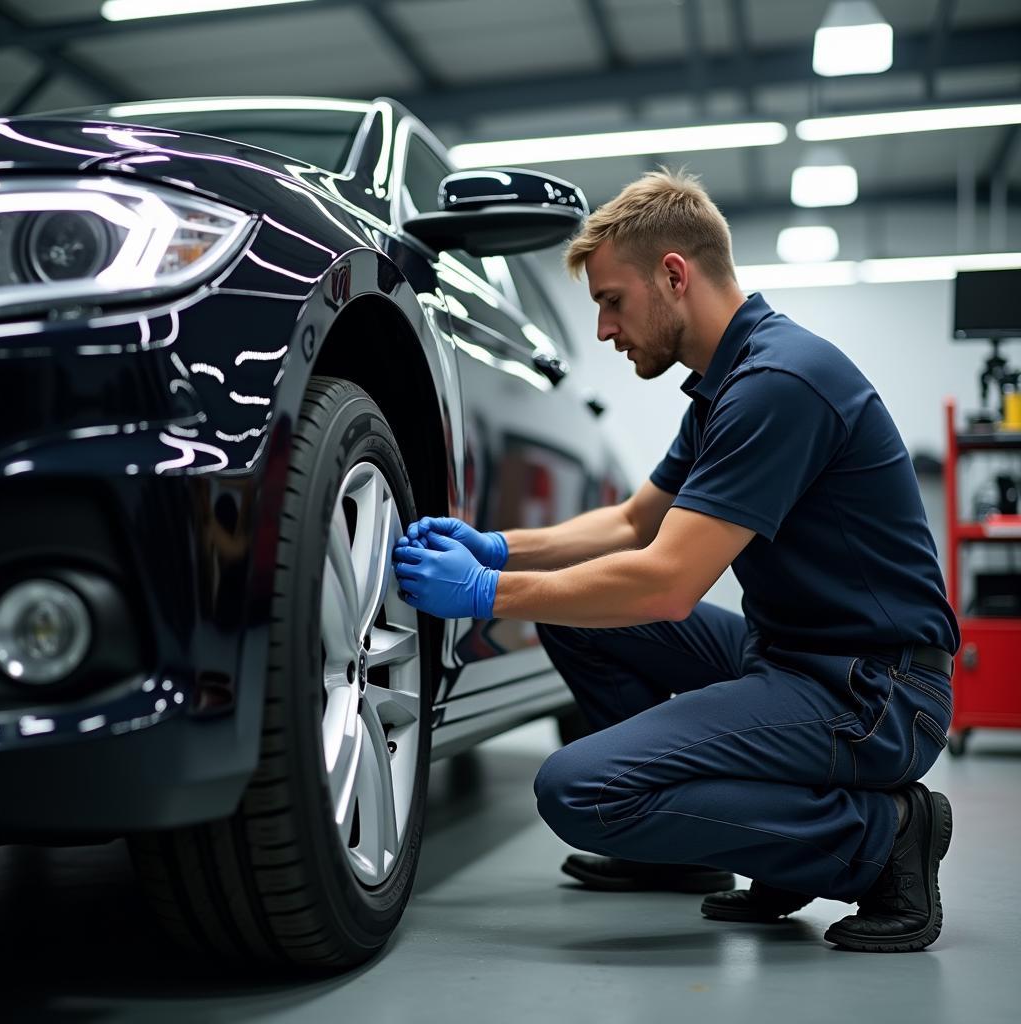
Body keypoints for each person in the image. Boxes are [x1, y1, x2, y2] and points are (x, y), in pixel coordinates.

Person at [392, 170, 959, 953]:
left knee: (577, 788)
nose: (602, 330)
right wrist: (493, 545)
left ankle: (882, 839)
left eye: (611, 301)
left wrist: (489, 590)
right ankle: (695, 851)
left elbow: (665, 584)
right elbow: (632, 522)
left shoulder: (776, 384)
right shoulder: (728, 383)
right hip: (791, 660)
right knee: (575, 619)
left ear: (673, 275)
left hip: (874, 691)